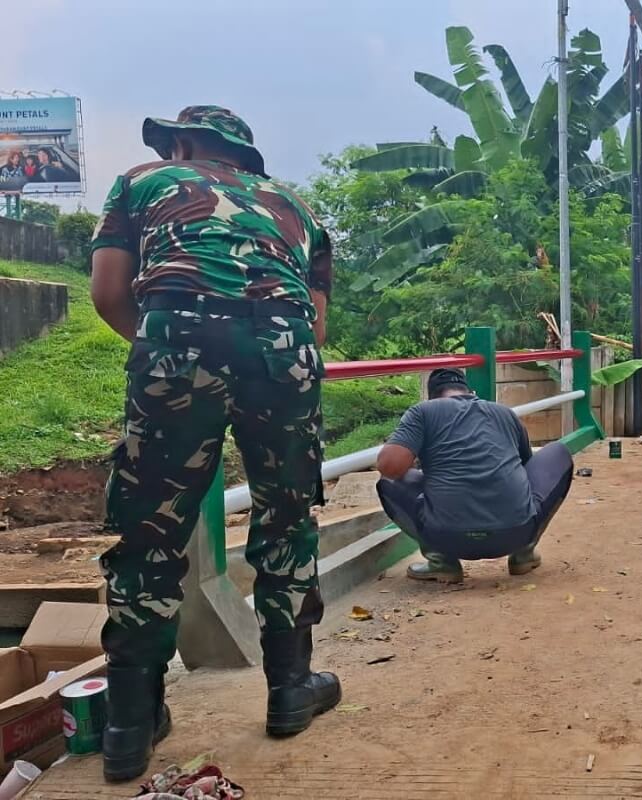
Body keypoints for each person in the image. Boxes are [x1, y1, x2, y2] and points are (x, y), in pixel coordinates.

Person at [89, 106, 338, 782]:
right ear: (244, 157)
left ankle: (129, 723)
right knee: (287, 517)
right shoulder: (298, 206)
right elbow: (312, 323)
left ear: (179, 143)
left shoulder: (142, 181)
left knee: (151, 528)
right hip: (285, 351)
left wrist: (171, 348)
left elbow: (109, 292)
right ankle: (291, 691)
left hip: (177, 336)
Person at [375, 368, 575, 583]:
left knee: (388, 481)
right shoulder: (504, 412)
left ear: (431, 397)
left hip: (447, 537)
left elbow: (389, 467)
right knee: (558, 453)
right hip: (515, 533)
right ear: (470, 392)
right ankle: (524, 553)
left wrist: (428, 466)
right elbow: (526, 468)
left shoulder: (422, 412)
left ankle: (442, 562)